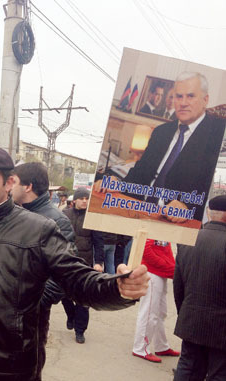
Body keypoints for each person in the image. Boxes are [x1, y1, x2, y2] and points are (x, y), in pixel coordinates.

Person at [0, 145, 150, 380]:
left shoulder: (38, 229)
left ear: (9, 182)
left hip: (9, 367)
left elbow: (77, 279)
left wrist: (116, 288)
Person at [95, 72, 226, 223]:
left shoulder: (219, 134)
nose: (183, 103)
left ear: (205, 100)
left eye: (190, 96)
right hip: (140, 212)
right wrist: (118, 184)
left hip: (179, 223)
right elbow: (139, 175)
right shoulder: (161, 132)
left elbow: (218, 189)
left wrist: (188, 206)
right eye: (178, 96)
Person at [11, 162, 74, 380]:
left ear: (27, 186)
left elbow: (64, 276)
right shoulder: (12, 214)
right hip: (5, 310)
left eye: (13, 181)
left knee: (30, 366)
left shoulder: (56, 221)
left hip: (32, 315)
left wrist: (34, 302)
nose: (9, 186)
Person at [173, 195, 226, 379]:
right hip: (221, 327)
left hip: (192, 320)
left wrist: (186, 312)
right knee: (219, 374)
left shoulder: (188, 239)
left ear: (209, 213)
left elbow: (178, 286)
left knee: (188, 369)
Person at [62, 187, 104, 344]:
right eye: (82, 198)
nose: (85, 201)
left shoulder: (93, 218)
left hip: (84, 262)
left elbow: (99, 242)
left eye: (87, 199)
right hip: (65, 261)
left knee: (83, 299)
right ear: (75, 200)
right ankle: (71, 315)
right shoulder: (64, 215)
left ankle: (80, 330)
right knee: (63, 294)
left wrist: (99, 262)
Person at [132, 239, 179, 363]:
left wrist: (170, 267)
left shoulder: (163, 227)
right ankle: (140, 348)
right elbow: (145, 250)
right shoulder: (153, 226)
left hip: (160, 272)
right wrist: (168, 266)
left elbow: (165, 250)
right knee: (149, 313)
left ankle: (161, 346)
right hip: (152, 273)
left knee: (160, 313)